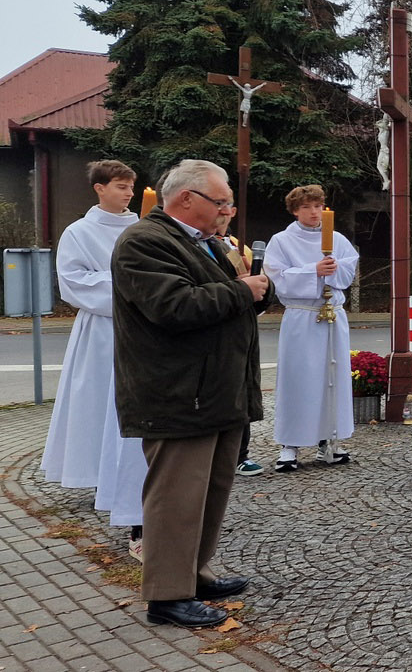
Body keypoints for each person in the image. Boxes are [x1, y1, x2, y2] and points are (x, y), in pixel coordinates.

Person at [111, 159, 272, 628]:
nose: (227, 211)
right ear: (186, 199)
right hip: (177, 393)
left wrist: (262, 288)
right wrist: (243, 291)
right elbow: (173, 307)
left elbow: (231, 298)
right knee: (176, 497)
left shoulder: (201, 243)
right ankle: (167, 595)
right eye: (220, 201)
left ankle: (195, 574)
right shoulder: (145, 242)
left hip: (217, 391)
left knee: (210, 492)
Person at [43, 162, 139, 556]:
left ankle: (127, 472)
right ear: (99, 189)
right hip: (101, 330)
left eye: (131, 186)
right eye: (120, 187)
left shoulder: (141, 228)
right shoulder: (79, 232)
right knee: (99, 400)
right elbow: (73, 281)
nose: (128, 193)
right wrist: (134, 284)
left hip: (140, 330)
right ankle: (100, 472)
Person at [264, 186, 359, 472]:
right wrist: (313, 270)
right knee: (298, 378)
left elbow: (348, 268)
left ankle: (328, 440)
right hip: (301, 317)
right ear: (295, 210)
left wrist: (333, 268)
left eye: (318, 206)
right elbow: (275, 277)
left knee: (332, 377)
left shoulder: (337, 239)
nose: (314, 212)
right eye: (307, 207)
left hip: (333, 317)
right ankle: (289, 446)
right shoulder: (281, 241)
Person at [214, 213, 265, 477]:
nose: (224, 214)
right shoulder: (204, 245)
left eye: (229, 207)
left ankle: (241, 453)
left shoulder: (236, 244)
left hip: (242, 325)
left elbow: (257, 278)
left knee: (242, 389)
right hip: (219, 322)